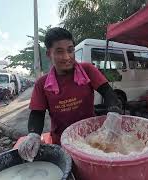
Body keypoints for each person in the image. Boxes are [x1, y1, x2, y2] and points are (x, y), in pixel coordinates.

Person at [18, 27, 122, 162]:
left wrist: (114, 113)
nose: (67, 57)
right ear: (49, 54)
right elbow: (37, 114)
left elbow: (108, 93)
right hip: (61, 142)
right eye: (59, 52)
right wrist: (33, 135)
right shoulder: (41, 84)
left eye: (70, 50)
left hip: (91, 139)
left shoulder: (87, 70)